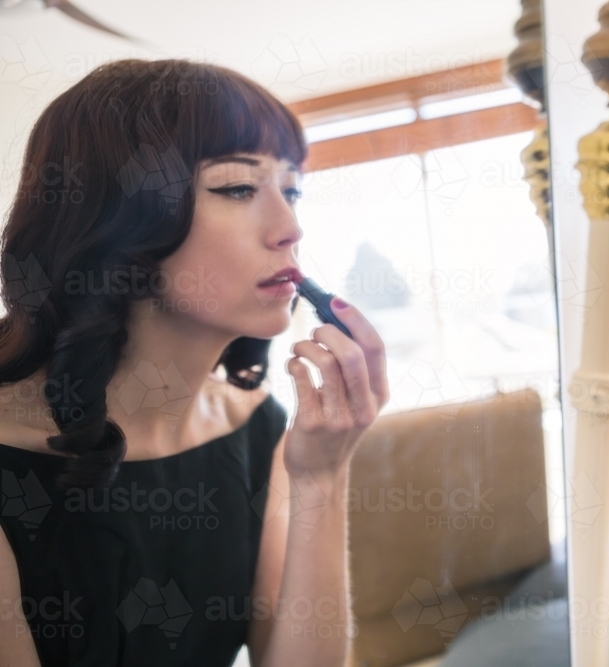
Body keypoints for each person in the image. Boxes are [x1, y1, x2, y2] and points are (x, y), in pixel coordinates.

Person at [0, 59, 388, 666]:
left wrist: (322, 478)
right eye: (237, 187)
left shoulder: (259, 427)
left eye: (291, 189)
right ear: (118, 216)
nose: (290, 226)